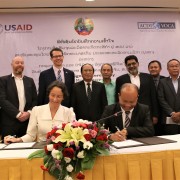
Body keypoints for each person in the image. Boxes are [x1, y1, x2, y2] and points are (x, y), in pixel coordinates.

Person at [4, 81, 75, 144]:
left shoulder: (69, 112)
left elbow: (72, 136)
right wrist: (17, 140)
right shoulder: (37, 110)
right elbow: (31, 135)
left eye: (59, 96)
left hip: (61, 151)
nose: (55, 99)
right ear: (48, 95)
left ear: (63, 97)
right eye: (52, 95)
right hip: (40, 149)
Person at [0, 56, 37, 139]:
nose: (20, 64)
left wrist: (29, 113)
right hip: (9, 124)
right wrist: (18, 114)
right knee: (9, 150)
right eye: (17, 63)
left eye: (22, 63)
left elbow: (35, 100)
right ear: (11, 64)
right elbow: (2, 100)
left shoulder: (30, 81)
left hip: (27, 124)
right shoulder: (3, 80)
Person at [115, 55, 158, 125]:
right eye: (129, 64)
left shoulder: (148, 77)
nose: (131, 66)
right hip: (128, 112)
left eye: (133, 63)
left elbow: (153, 97)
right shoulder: (120, 79)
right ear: (126, 66)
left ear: (138, 64)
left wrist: (155, 115)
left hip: (146, 112)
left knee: (146, 133)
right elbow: (118, 98)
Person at [158, 59, 180, 135]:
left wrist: (179, 114)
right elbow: (161, 99)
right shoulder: (162, 82)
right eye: (172, 66)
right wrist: (172, 113)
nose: (174, 68)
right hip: (169, 118)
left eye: (176, 66)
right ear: (167, 69)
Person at [148, 60, 165, 135]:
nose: (153, 69)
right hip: (150, 114)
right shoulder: (145, 80)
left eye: (155, 67)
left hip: (164, 113)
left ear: (160, 69)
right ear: (148, 69)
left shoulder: (166, 80)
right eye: (151, 67)